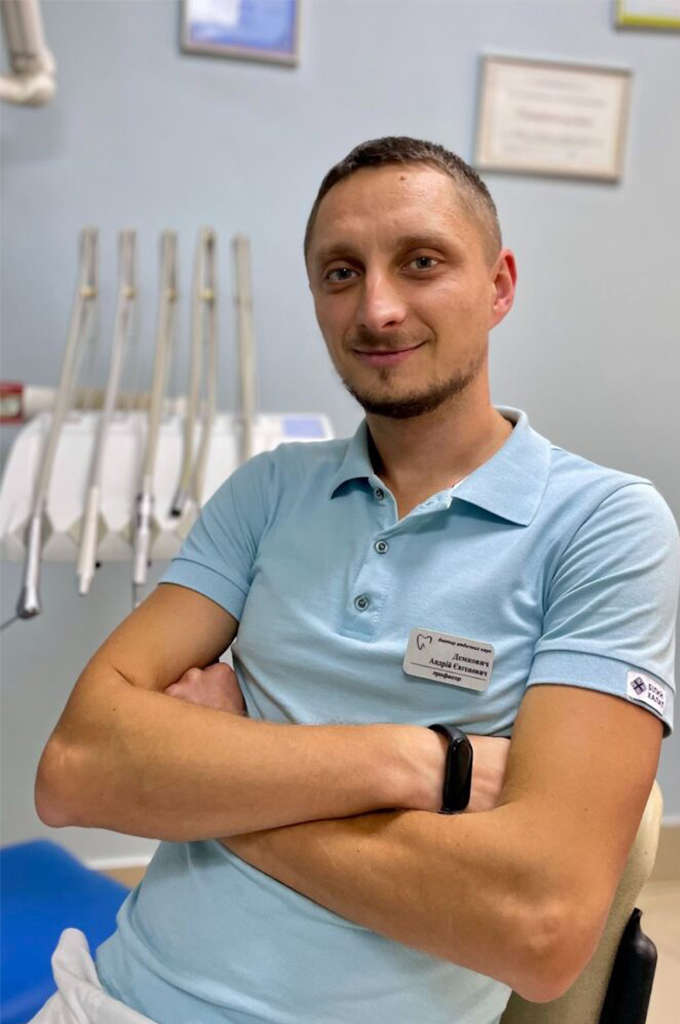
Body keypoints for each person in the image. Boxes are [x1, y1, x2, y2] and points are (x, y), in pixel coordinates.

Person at [34, 137, 678, 1024]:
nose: (377, 308)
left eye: (421, 262)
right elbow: (73, 772)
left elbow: (539, 929)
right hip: (111, 999)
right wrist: (422, 761)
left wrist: (216, 782)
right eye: (341, 273)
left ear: (498, 287)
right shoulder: (268, 491)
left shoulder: (603, 525)